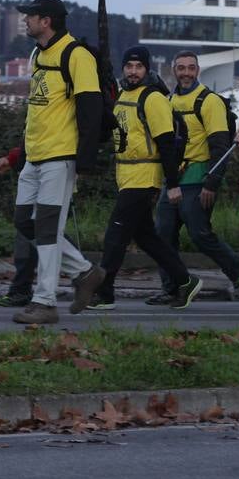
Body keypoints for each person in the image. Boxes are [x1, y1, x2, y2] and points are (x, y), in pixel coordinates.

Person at [0, 0, 105, 325]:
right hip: (34, 157)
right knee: (26, 222)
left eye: (31, 16)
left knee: (46, 227)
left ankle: (45, 301)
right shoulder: (37, 55)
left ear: (47, 20)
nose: (26, 21)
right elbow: (38, 112)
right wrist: (18, 156)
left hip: (60, 156)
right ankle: (85, 272)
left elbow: (91, 109)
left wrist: (83, 161)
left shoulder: (76, 55)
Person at [89, 46, 203, 311]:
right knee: (146, 237)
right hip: (126, 175)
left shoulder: (153, 99)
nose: (133, 71)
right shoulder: (122, 95)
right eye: (129, 66)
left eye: (138, 67)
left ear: (147, 69)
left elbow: (166, 143)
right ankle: (185, 281)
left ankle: (105, 293)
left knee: (115, 236)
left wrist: (172, 184)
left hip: (144, 177)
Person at [148, 51, 239, 305]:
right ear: (173, 70)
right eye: (180, 68)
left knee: (200, 234)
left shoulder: (209, 101)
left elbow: (220, 147)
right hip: (172, 180)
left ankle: (237, 271)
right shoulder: (167, 101)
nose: (185, 73)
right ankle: (171, 288)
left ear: (198, 71)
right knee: (162, 235)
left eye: (191, 68)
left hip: (198, 178)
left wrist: (211, 184)